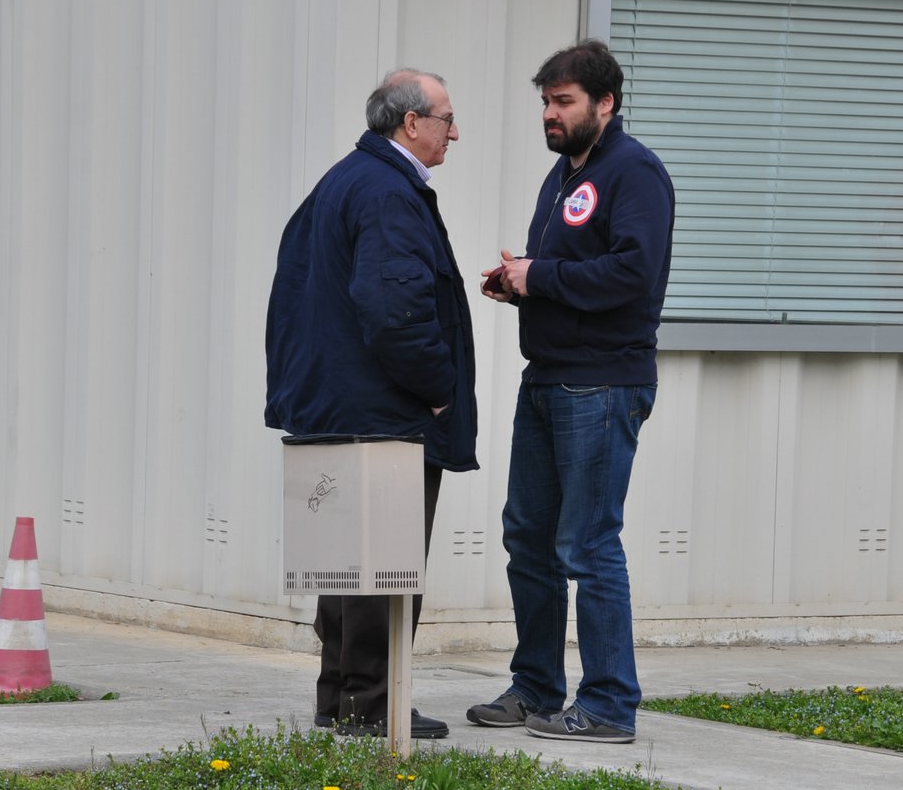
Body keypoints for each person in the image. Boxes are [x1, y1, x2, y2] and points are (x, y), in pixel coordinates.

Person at [469, 40, 674, 743]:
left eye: (563, 103)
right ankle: (536, 688)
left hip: (602, 382)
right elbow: (561, 270)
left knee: (587, 543)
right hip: (548, 375)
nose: (550, 116)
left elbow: (633, 275)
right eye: (545, 104)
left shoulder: (634, 172)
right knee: (527, 536)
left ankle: (611, 702)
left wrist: (541, 278)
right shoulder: (562, 176)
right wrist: (517, 283)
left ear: (605, 103)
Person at [265, 69, 477, 740]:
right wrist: (440, 392)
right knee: (382, 565)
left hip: (335, 406)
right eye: (447, 118)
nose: (455, 131)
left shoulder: (344, 180)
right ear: (411, 123)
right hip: (382, 415)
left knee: (344, 561)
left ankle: (343, 698)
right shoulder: (389, 193)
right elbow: (396, 309)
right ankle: (374, 704)